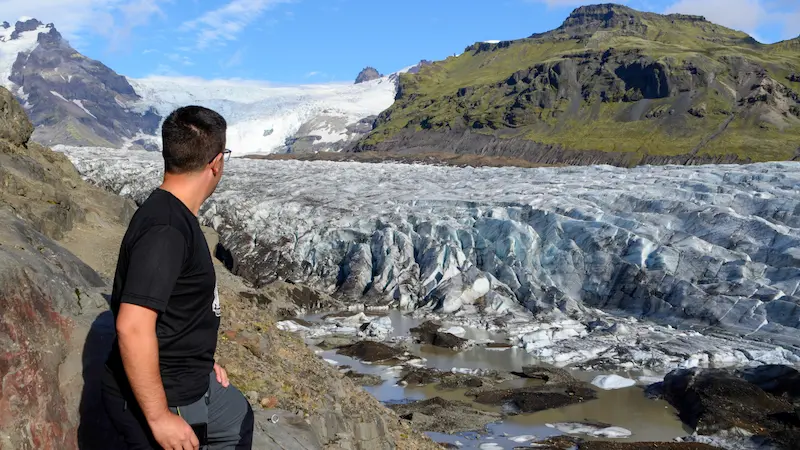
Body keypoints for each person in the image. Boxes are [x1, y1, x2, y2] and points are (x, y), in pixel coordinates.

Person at [101, 105, 254, 450]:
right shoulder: (166, 229)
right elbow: (132, 326)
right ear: (216, 163)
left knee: (238, 417)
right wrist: (159, 417)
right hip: (171, 396)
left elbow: (177, 304)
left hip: (191, 376)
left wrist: (201, 360)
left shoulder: (174, 216)